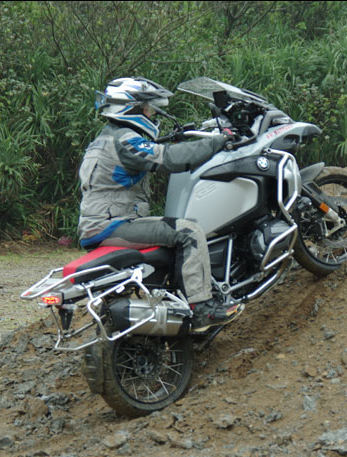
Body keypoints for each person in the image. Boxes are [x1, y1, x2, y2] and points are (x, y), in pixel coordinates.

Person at [77, 77, 242, 333]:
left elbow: (152, 151)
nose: (152, 115)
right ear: (131, 109)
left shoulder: (107, 138)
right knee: (188, 231)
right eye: (149, 109)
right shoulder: (125, 140)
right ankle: (203, 310)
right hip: (114, 225)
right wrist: (217, 141)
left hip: (100, 224)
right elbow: (168, 159)